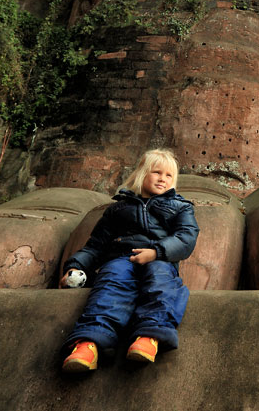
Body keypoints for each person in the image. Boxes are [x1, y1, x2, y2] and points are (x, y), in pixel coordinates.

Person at [59, 148, 198, 372]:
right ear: (142, 174)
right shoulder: (118, 209)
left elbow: (186, 237)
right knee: (111, 284)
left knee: (161, 283)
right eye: (156, 172)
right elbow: (96, 245)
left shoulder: (181, 207)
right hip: (121, 258)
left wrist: (156, 252)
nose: (163, 178)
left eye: (169, 175)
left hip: (159, 258)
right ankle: (89, 344)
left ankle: (149, 336)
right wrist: (76, 267)